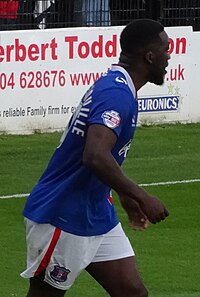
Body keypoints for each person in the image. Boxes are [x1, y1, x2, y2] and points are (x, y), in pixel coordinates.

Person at [21, 19, 170, 297]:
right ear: (149, 56)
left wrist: (124, 195)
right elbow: (95, 156)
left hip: (95, 209)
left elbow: (101, 156)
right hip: (62, 213)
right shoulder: (116, 94)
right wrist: (141, 196)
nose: (169, 56)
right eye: (166, 49)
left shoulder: (118, 86)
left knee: (133, 292)